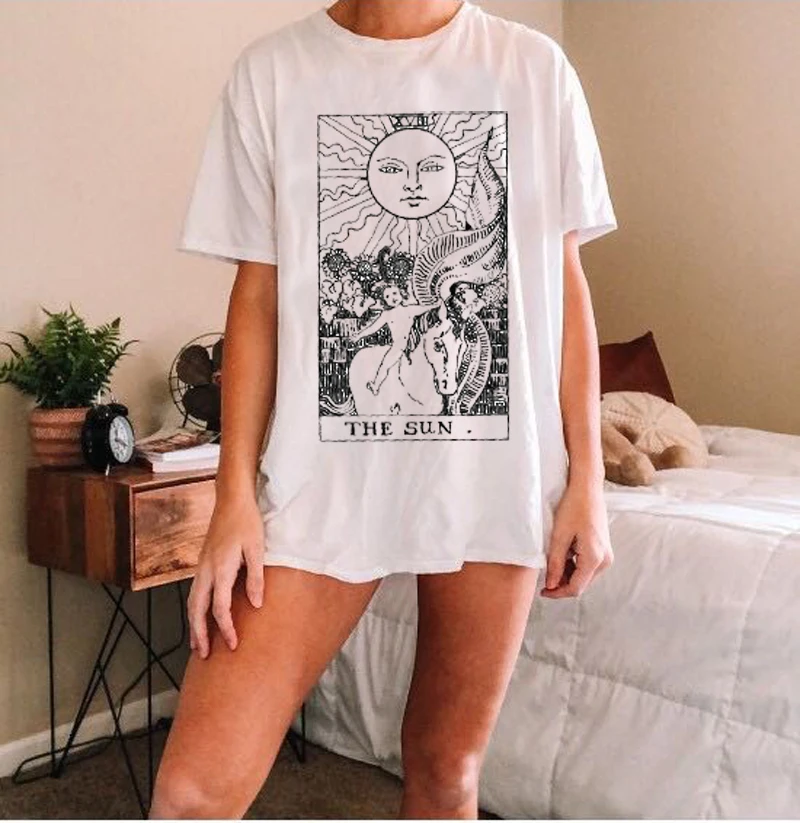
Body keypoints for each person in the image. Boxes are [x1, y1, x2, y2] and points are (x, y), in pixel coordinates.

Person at [150, 0, 617, 818]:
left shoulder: (534, 70)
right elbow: (256, 297)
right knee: (192, 792)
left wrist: (589, 479)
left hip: (491, 478)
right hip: (321, 481)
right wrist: (233, 498)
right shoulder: (273, 74)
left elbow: (564, 286)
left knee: (445, 768)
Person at [347, 281, 432, 394]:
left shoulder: (409, 309)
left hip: (414, 343)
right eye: (387, 296)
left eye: (394, 293)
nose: (392, 298)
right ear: (384, 300)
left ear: (401, 293)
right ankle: (376, 385)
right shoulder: (386, 314)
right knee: (385, 364)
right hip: (399, 346)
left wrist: (438, 302)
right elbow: (373, 328)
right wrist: (358, 336)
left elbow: (425, 308)